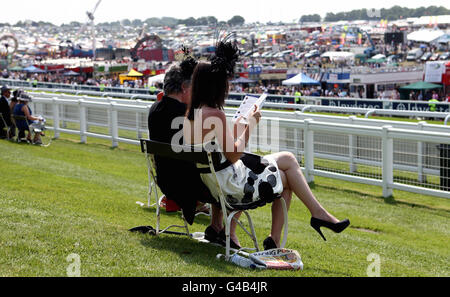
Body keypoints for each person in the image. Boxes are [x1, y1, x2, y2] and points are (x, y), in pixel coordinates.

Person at [184, 40, 350, 250]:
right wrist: (250, 125)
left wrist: (239, 124)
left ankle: (310, 219)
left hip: (214, 183)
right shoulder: (215, 114)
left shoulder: (192, 115)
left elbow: (219, 147)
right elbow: (234, 155)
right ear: (216, 86)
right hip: (232, 185)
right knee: (288, 172)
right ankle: (295, 228)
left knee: (287, 164)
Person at [147, 49, 241, 249]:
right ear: (184, 88)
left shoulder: (155, 109)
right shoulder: (185, 116)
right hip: (187, 184)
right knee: (221, 170)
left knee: (214, 166)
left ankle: (216, 227)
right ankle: (221, 230)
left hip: (165, 179)